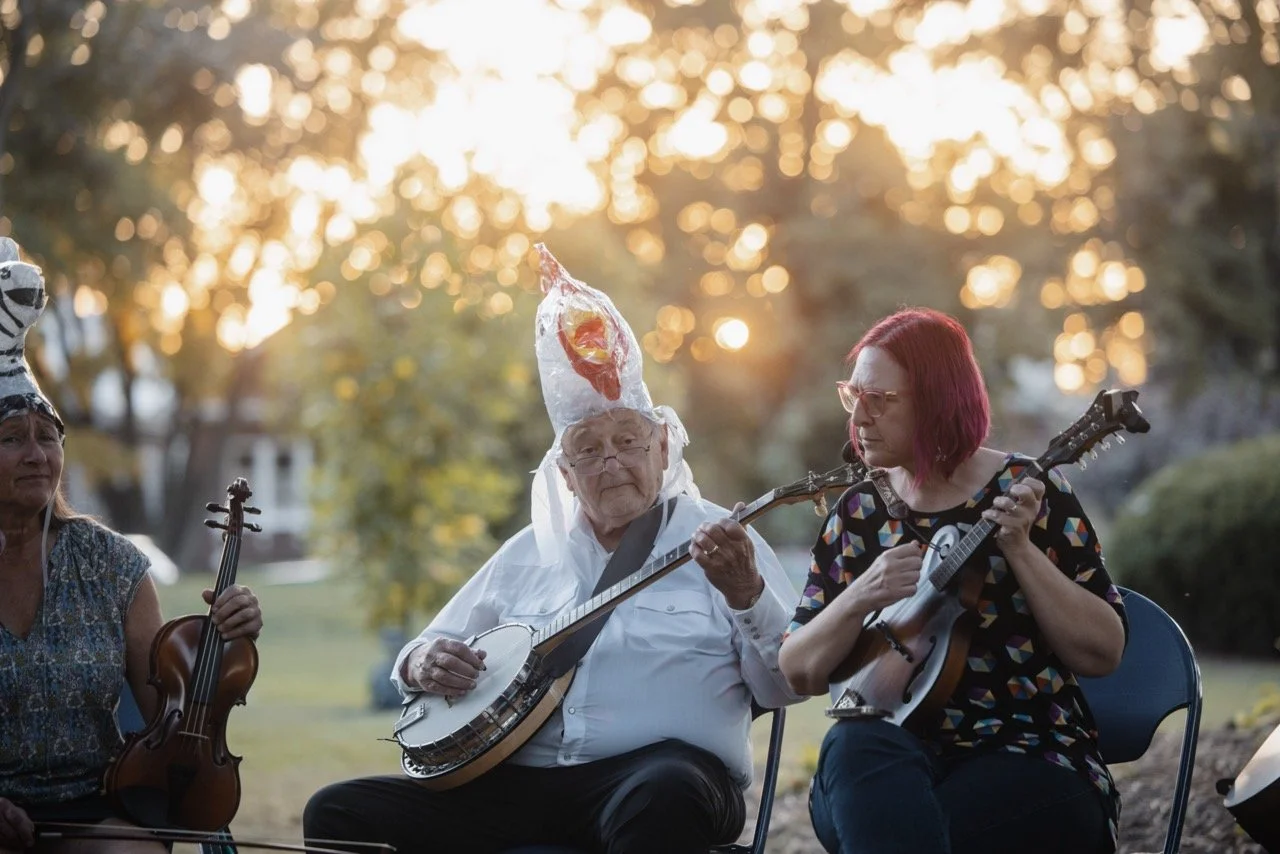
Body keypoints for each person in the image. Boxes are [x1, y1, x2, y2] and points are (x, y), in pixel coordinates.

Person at [304, 245, 801, 854]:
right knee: (339, 812)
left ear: (663, 450)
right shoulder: (527, 553)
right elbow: (415, 653)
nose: (611, 460)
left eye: (628, 440)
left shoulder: (725, 539)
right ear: (565, 473)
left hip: (659, 780)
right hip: (520, 787)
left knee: (665, 790)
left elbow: (786, 684)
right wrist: (422, 662)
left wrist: (747, 593)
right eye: (588, 449)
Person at [778, 307, 1128, 854]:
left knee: (893, 827)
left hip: (1030, 755)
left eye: (882, 400)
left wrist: (1020, 550)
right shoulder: (858, 512)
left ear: (939, 404)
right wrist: (862, 594)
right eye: (855, 396)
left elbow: (1103, 652)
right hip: (883, 763)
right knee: (854, 747)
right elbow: (798, 670)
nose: (860, 419)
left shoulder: (1032, 493)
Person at [0, 237, 264, 853]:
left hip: (95, 805)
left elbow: (168, 720)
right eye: (12, 438)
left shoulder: (113, 564)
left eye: (49, 435)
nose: (39, 455)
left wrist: (223, 643)